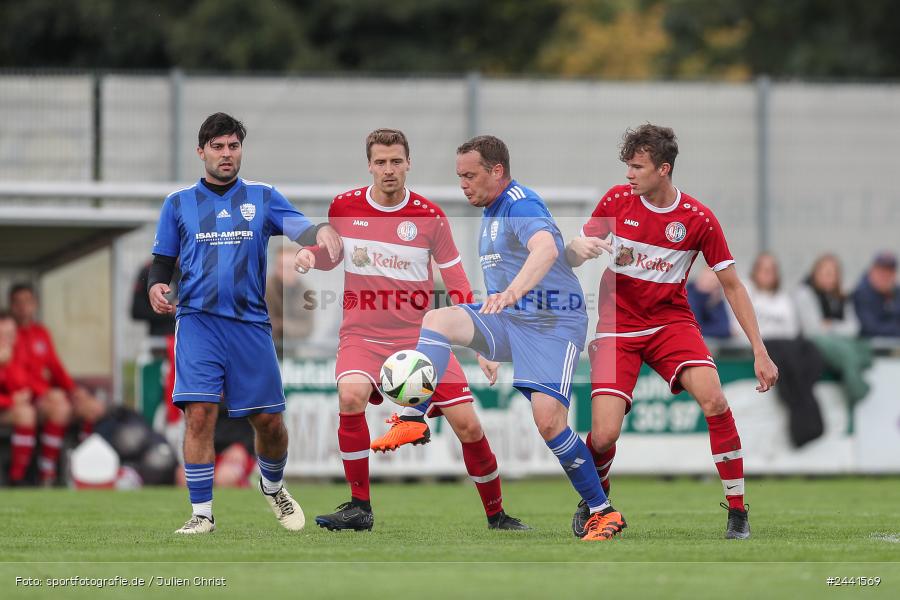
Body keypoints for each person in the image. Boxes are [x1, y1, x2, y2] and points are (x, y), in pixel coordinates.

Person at [387, 135, 624, 541]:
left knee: (549, 424)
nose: (464, 184)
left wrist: (514, 292)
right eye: (459, 176)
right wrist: (486, 345)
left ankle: (603, 512)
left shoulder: (519, 202)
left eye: (470, 175)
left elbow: (545, 248)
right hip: (510, 320)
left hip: (553, 326)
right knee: (439, 321)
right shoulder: (491, 210)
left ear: (496, 171)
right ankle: (412, 417)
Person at [295, 129, 528, 531]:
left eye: (396, 161)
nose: (389, 170)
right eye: (381, 162)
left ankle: (497, 515)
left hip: (421, 341)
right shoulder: (345, 207)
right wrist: (308, 255)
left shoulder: (430, 216)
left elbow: (456, 281)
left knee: (468, 425)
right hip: (362, 337)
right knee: (350, 396)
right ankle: (359, 508)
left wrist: (481, 342)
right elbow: (331, 257)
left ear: (408, 163)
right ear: (369, 164)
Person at [565, 124, 779, 540]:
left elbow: (733, 285)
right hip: (616, 327)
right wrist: (579, 248)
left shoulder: (697, 219)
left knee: (715, 400)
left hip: (670, 324)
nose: (629, 174)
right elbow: (574, 253)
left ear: (663, 169)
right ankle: (596, 498)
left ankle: (737, 511)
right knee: (605, 433)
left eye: (637, 166)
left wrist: (760, 350)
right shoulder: (615, 201)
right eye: (627, 165)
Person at [147, 112, 341, 534]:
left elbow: (306, 234)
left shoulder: (263, 196)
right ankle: (202, 514)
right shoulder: (178, 203)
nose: (226, 154)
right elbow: (161, 263)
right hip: (198, 322)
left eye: (233, 146)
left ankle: (273, 486)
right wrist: (156, 286)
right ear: (201, 152)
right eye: (217, 147)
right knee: (199, 415)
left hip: (251, 325)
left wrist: (320, 237)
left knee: (269, 422)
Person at [9, 283, 104, 484]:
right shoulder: (9, 334)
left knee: (92, 407)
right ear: (12, 306)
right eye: (18, 303)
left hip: (47, 395)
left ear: (35, 304)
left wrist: (74, 390)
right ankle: (47, 472)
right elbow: (16, 375)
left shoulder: (41, 332)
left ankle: (84, 468)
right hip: (28, 397)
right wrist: (45, 392)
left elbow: (55, 367)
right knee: (59, 409)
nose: (23, 307)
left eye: (28, 302)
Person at [745, 252, 825, 448]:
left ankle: (805, 411)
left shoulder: (784, 299)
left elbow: (793, 330)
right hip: (765, 349)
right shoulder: (746, 295)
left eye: (772, 270)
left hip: (787, 347)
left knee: (810, 352)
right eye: (763, 269)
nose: (768, 274)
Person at [795, 253, 871, 404]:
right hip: (814, 348)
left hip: (840, 341)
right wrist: (835, 329)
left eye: (832, 274)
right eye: (825, 273)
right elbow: (813, 330)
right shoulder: (804, 293)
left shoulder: (842, 297)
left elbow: (854, 328)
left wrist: (831, 325)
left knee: (863, 348)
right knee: (843, 351)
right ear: (815, 273)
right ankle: (856, 387)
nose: (828, 277)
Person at [0, 311, 37, 485]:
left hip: (4, 410)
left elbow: (22, 385)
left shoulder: (16, 354)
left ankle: (17, 476)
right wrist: (10, 401)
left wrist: (6, 364)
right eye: (2, 335)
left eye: (10, 335)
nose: (6, 340)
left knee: (26, 413)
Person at [266, 246, 315, 358]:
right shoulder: (264, 289)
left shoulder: (306, 292)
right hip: (264, 351)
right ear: (276, 268)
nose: (287, 272)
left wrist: (281, 325)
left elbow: (307, 328)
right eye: (283, 267)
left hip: (292, 353)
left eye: (291, 267)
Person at [852, 251, 900, 338]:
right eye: (882, 271)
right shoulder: (862, 294)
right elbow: (871, 328)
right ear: (872, 271)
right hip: (867, 347)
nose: (886, 276)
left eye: (890, 272)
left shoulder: (895, 292)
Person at [687, 267, 732, 339]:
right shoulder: (688, 297)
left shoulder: (716, 299)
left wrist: (712, 304)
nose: (707, 284)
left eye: (713, 282)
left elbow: (724, 328)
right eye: (706, 279)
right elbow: (693, 329)